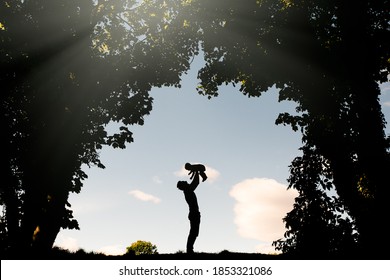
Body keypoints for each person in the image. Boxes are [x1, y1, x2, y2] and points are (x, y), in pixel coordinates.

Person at [177, 169, 203, 254]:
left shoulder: (188, 190)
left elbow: (195, 182)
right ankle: (189, 250)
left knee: (194, 233)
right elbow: (196, 183)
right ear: (183, 186)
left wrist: (196, 171)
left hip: (194, 213)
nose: (184, 181)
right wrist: (196, 171)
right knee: (193, 233)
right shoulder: (188, 190)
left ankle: (190, 250)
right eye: (182, 182)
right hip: (194, 214)